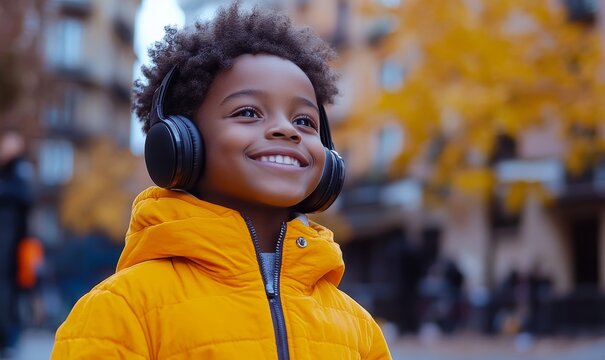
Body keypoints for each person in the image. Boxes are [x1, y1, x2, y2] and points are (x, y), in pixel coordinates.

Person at [51, 3, 391, 359]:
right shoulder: (123, 311)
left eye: (305, 121)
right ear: (181, 143)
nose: (286, 130)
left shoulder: (357, 327)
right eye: (248, 112)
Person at [0, 130, 34, 356]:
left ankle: (8, 337)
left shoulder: (20, 170)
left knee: (8, 289)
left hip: (12, 241)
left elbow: (26, 196)